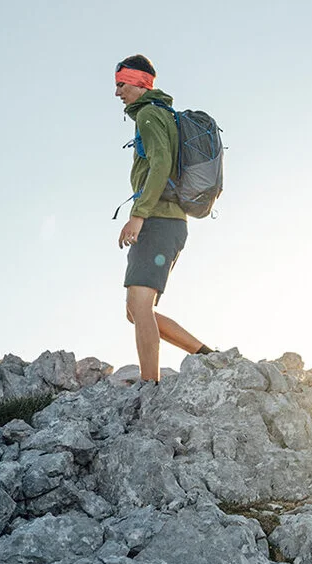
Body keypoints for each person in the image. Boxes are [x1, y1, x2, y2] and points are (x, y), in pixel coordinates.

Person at [113, 54, 214, 383]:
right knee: (136, 309)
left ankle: (149, 385)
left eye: (121, 84)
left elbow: (160, 164)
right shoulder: (162, 114)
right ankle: (207, 357)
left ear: (140, 82)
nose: (117, 93)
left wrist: (138, 216)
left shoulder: (149, 115)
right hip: (172, 222)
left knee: (140, 304)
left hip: (158, 219)